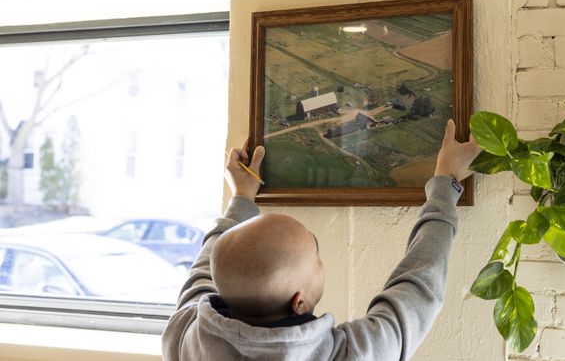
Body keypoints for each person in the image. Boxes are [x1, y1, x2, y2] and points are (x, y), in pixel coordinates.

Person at [161, 119, 481, 361]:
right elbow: (417, 287)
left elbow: (204, 267)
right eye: (316, 255)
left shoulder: (184, 337)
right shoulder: (345, 355)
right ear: (299, 302)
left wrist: (242, 196)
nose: (320, 257)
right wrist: (445, 186)